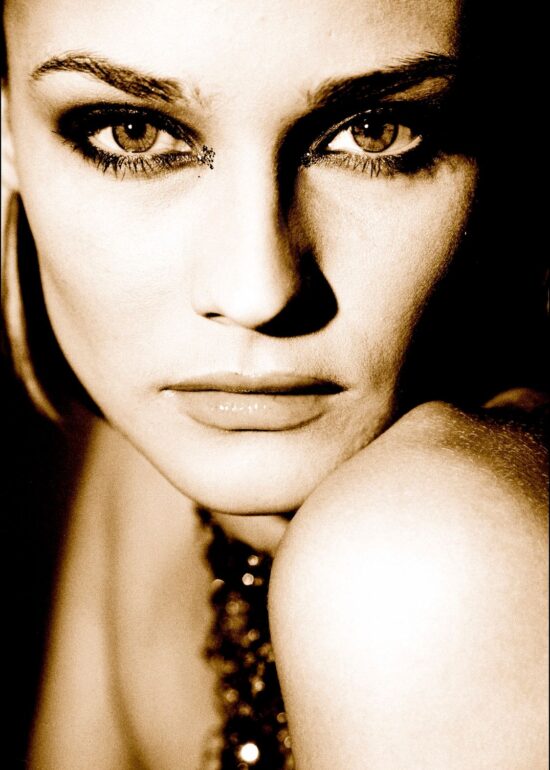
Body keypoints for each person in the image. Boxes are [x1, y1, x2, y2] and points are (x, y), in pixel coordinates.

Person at [2, 0, 547, 767]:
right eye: (133, 133)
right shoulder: (159, 445)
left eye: (374, 132)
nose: (255, 293)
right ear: (7, 136)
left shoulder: (434, 559)